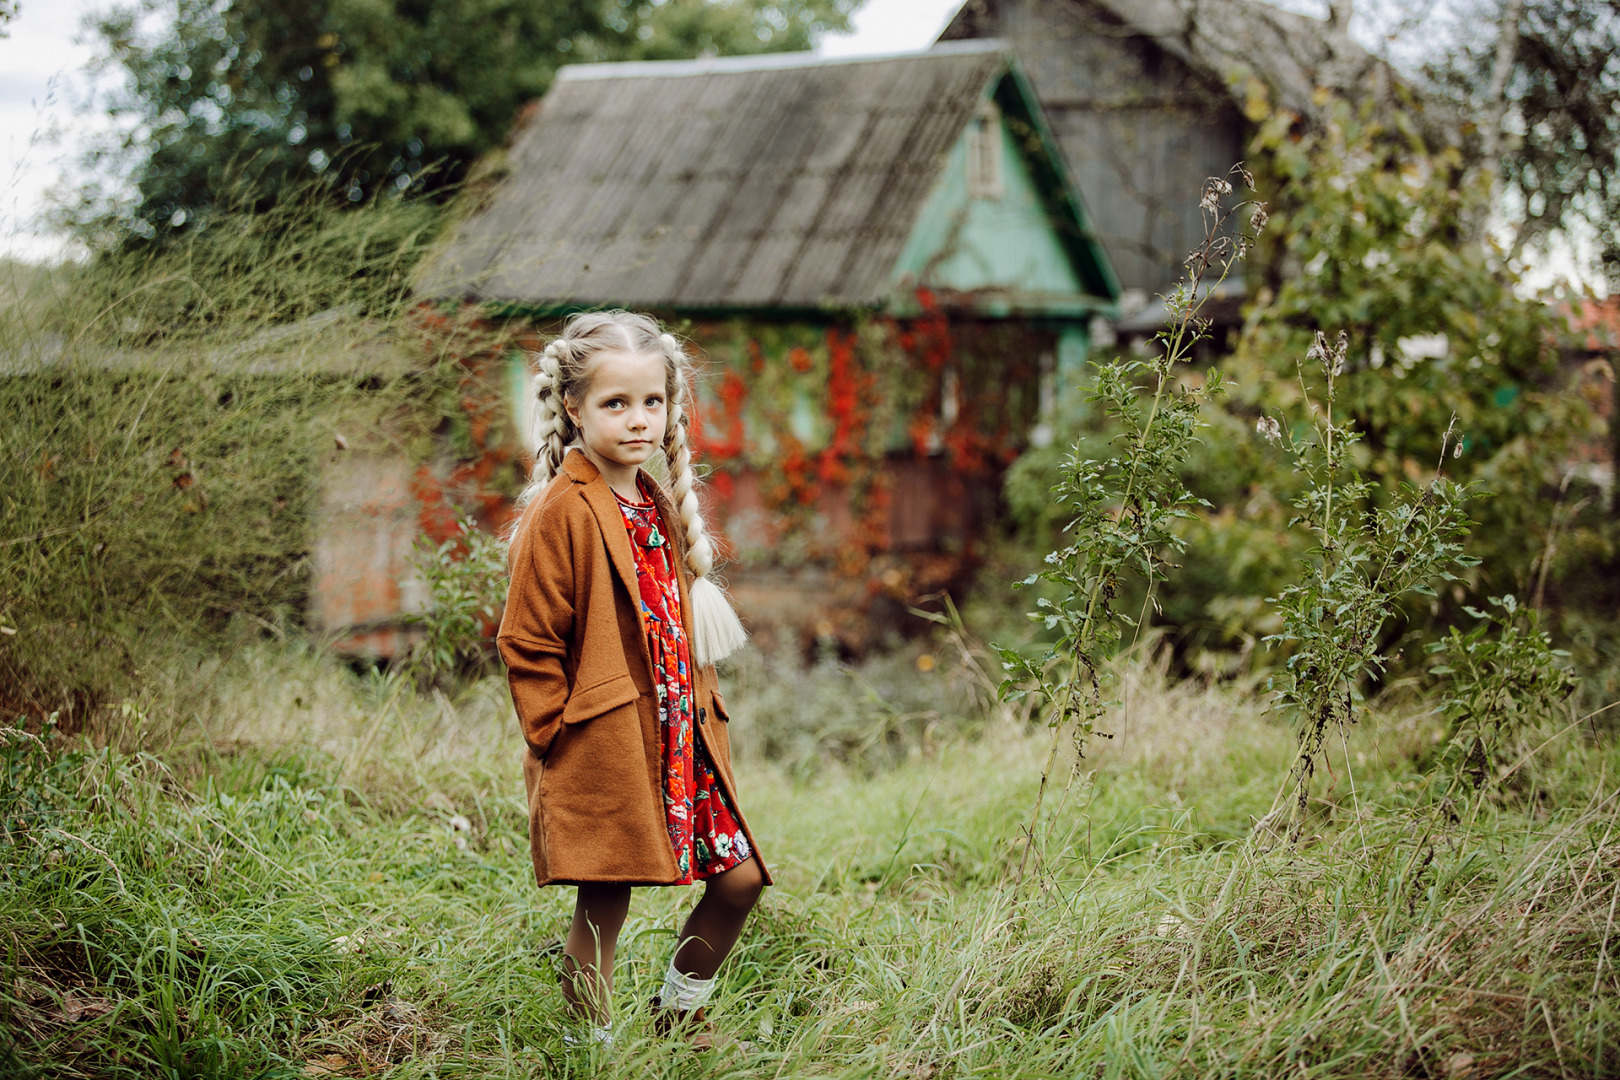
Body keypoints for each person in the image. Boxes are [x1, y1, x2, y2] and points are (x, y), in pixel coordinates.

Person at [497, 310, 768, 1051]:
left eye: (652, 402)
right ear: (574, 407)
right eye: (616, 404)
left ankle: (679, 1014)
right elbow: (527, 640)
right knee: (602, 900)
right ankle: (593, 1051)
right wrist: (560, 732)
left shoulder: (654, 501)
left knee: (740, 880)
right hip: (606, 739)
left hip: (682, 734)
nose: (638, 420)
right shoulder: (563, 511)